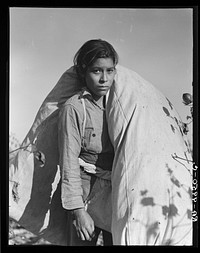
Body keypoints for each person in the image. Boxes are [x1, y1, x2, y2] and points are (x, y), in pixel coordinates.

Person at [58, 39, 118, 245]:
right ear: (84, 71)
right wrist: (78, 211)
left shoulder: (120, 104)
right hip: (85, 191)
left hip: (116, 190)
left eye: (109, 71)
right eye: (96, 71)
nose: (104, 79)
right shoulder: (74, 108)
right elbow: (69, 161)